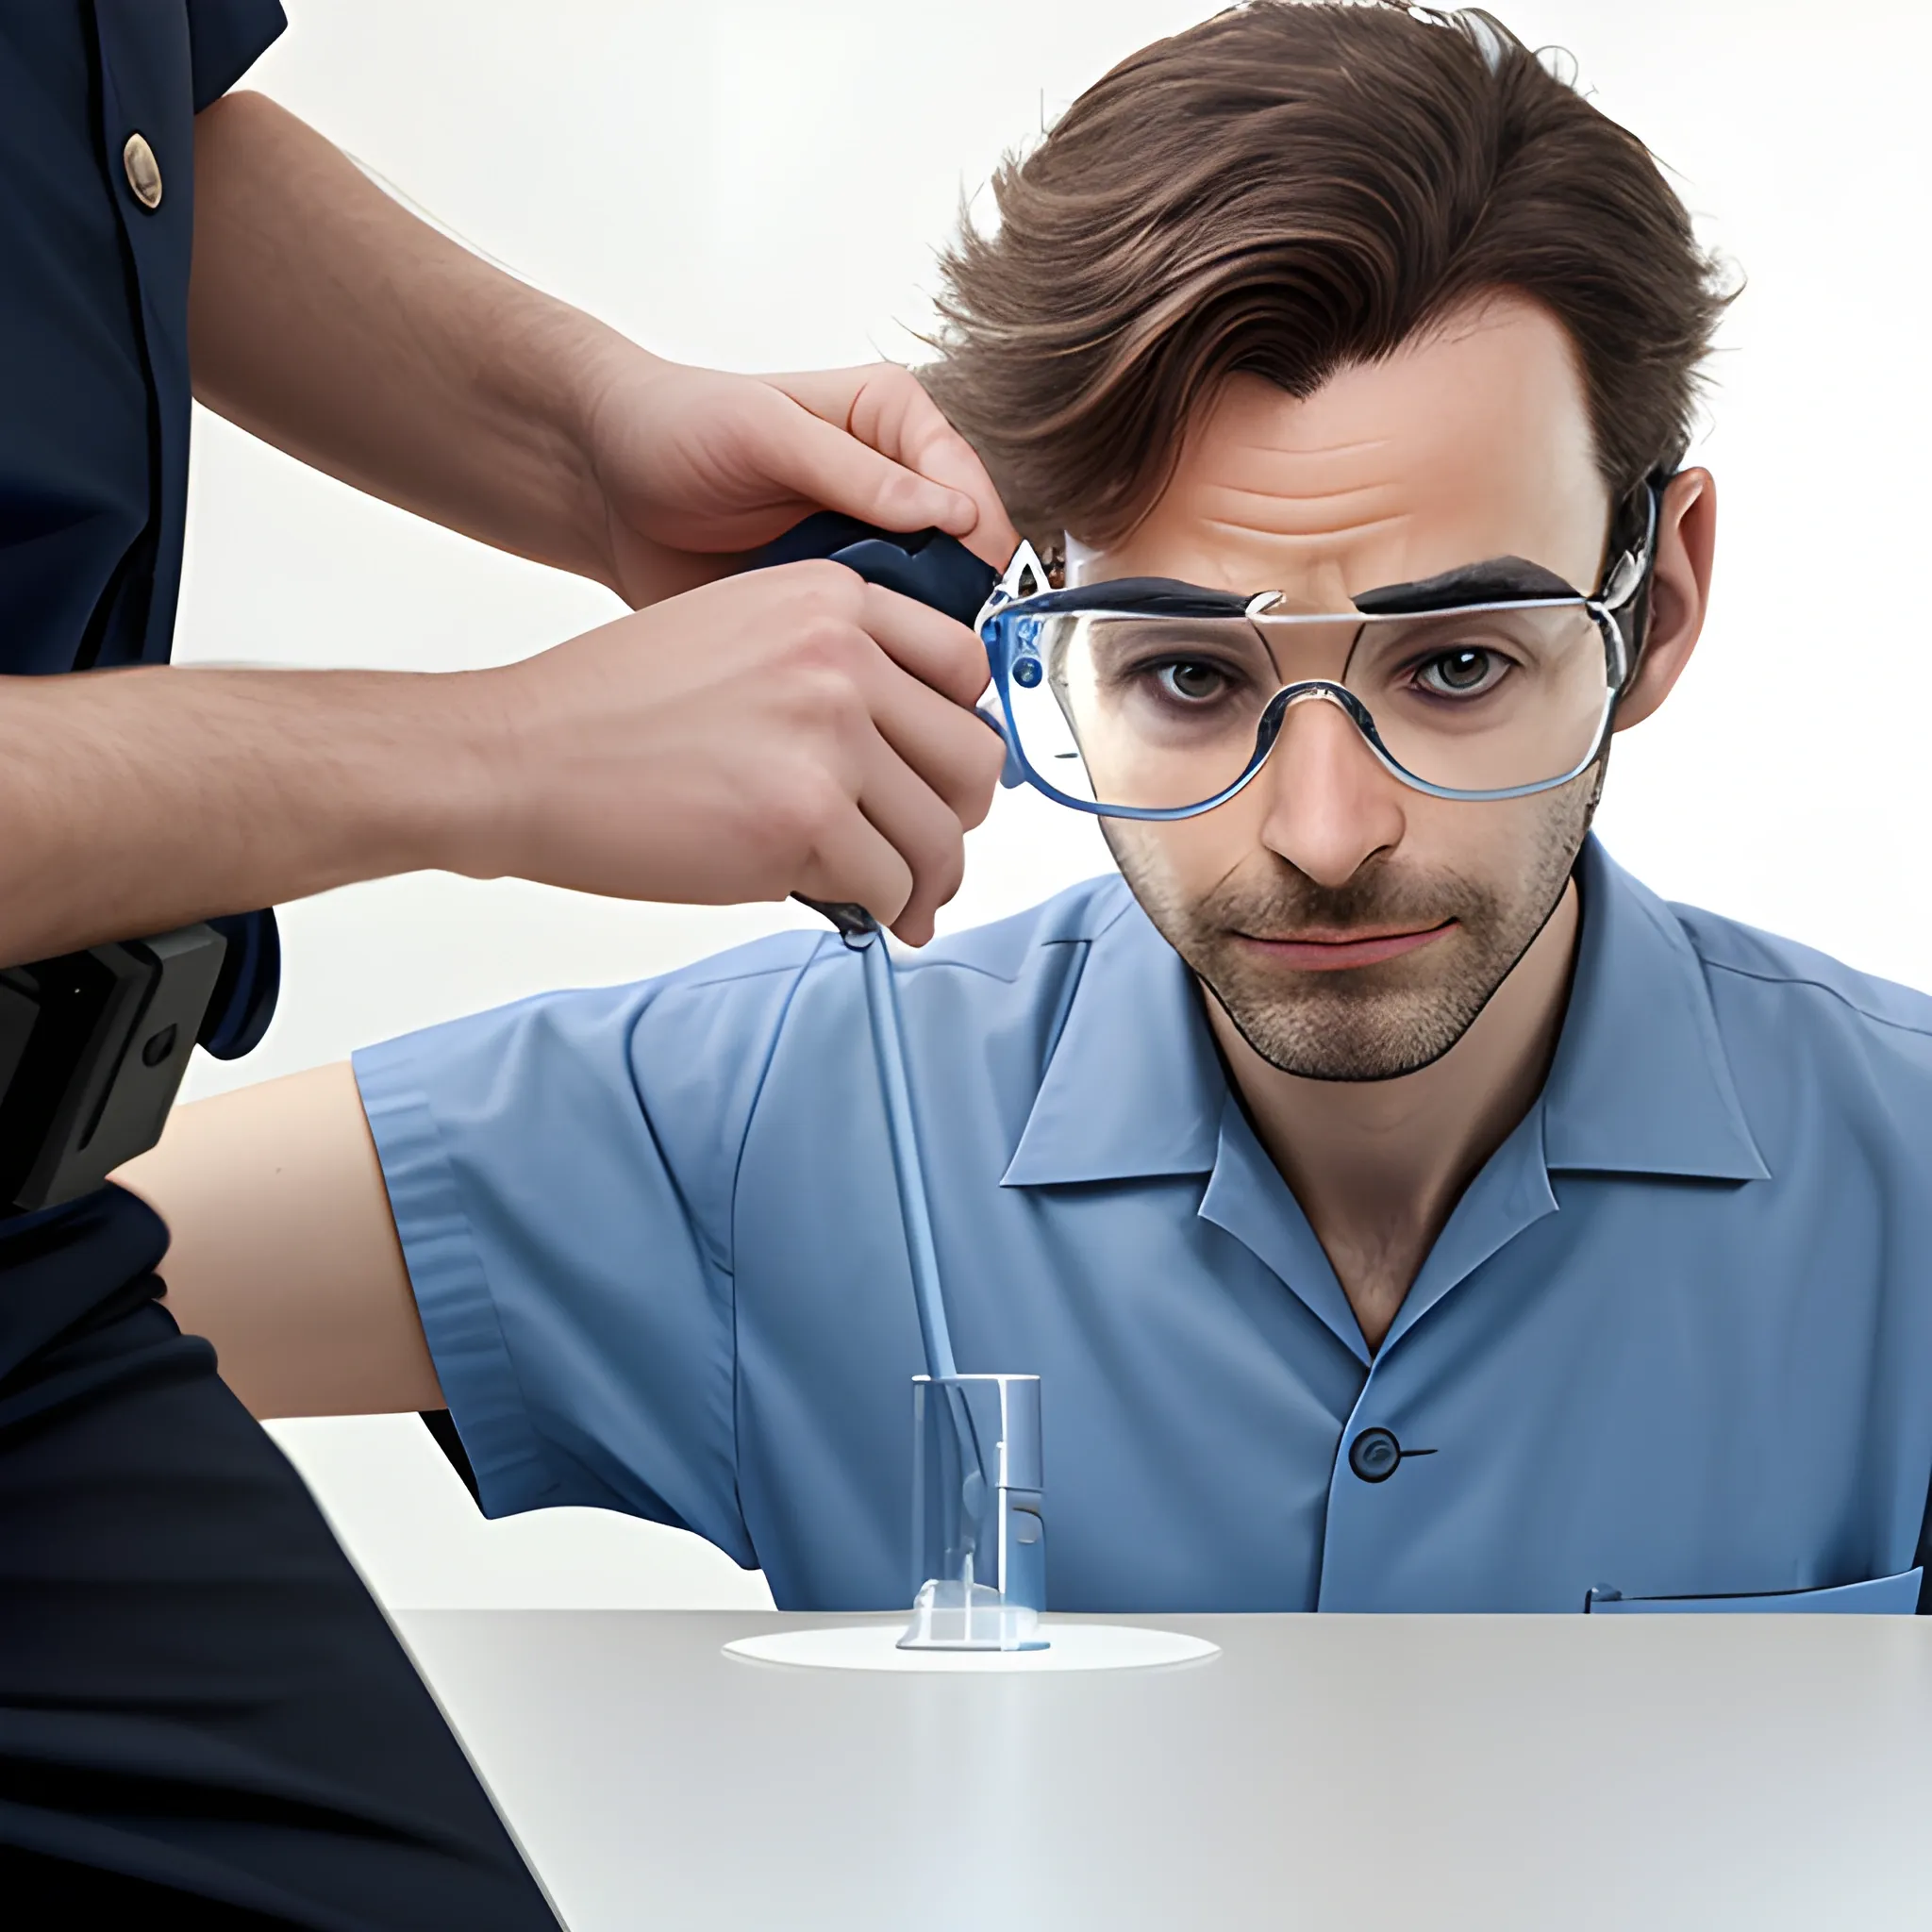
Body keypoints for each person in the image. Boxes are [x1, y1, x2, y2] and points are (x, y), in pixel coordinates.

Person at [127, 0, 1932, 1624]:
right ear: (1029, 633)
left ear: (1662, 605)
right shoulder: (776, 1124)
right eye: (1187, 674)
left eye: (1454, 666)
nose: (1320, 829)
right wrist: (467, 757)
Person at [0, 2, 1017, 1919]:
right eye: (1195, 664)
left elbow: (116, 131)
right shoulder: (720, 1120)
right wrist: (503, 751)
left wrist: (584, 438)